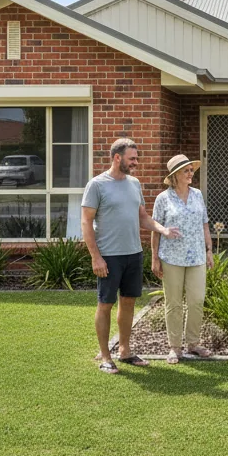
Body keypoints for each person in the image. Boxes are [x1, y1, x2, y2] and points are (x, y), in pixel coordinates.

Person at [81, 138, 182, 374]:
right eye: (132, 158)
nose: (136, 162)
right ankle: (106, 356)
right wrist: (96, 257)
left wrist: (163, 229)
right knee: (105, 303)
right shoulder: (97, 185)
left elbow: (143, 217)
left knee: (128, 302)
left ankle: (124, 351)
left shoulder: (134, 184)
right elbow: (86, 222)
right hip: (109, 256)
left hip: (133, 254)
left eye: (136, 158)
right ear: (117, 158)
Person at [151, 154, 215, 364]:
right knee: (174, 303)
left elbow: (204, 223)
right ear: (174, 175)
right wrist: (155, 258)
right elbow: (155, 230)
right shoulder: (163, 198)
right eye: (186, 171)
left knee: (197, 300)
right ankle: (174, 347)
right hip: (171, 258)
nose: (190, 174)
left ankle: (194, 344)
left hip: (197, 256)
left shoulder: (197, 195)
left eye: (191, 170)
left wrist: (209, 251)